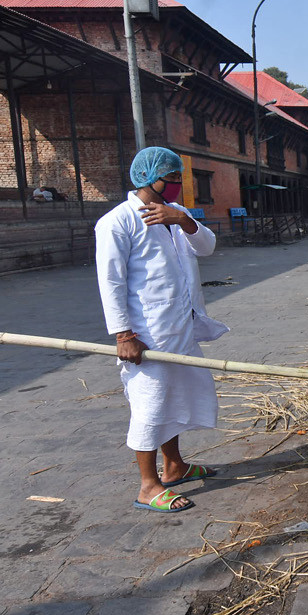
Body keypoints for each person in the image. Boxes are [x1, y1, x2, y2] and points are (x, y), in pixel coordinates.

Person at [95, 147, 229, 513]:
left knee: (179, 394)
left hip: (179, 324)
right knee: (150, 403)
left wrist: (182, 220)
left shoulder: (178, 214)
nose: (176, 186)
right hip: (146, 332)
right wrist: (123, 334)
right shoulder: (117, 222)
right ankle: (148, 485)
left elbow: (207, 247)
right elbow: (110, 282)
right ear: (148, 179)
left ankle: (174, 467)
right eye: (170, 180)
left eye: (178, 179)